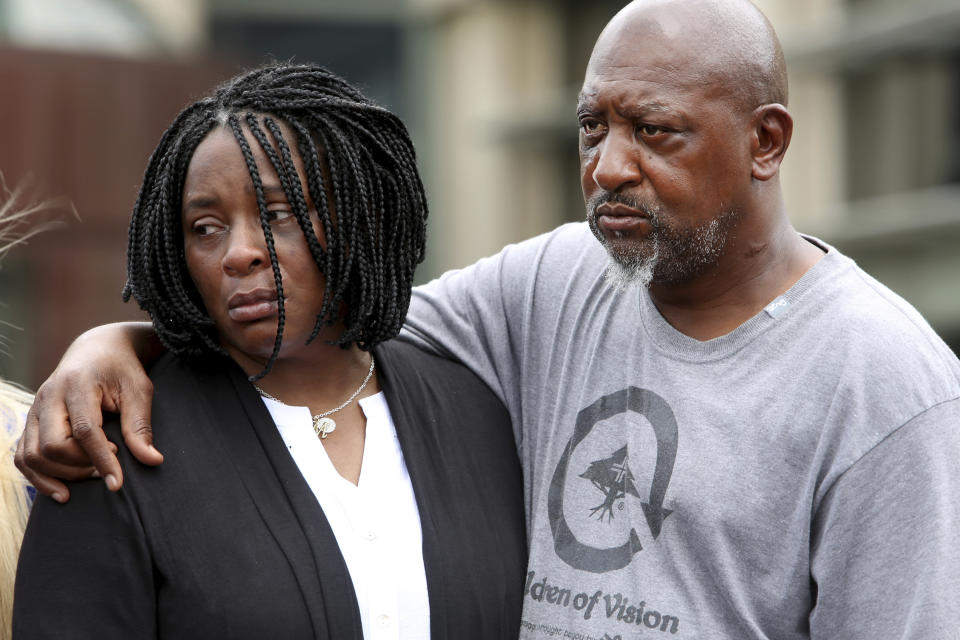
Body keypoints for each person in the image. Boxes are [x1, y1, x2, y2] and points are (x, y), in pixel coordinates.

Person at [17, 0, 960, 638]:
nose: (608, 167)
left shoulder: (884, 384)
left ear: (767, 141)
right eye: (594, 127)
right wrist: (124, 340)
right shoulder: (555, 284)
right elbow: (324, 328)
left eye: (655, 130)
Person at [12, 63, 526, 639]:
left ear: (358, 214)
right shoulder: (118, 447)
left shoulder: (478, 416)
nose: (239, 253)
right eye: (205, 227)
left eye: (278, 213)